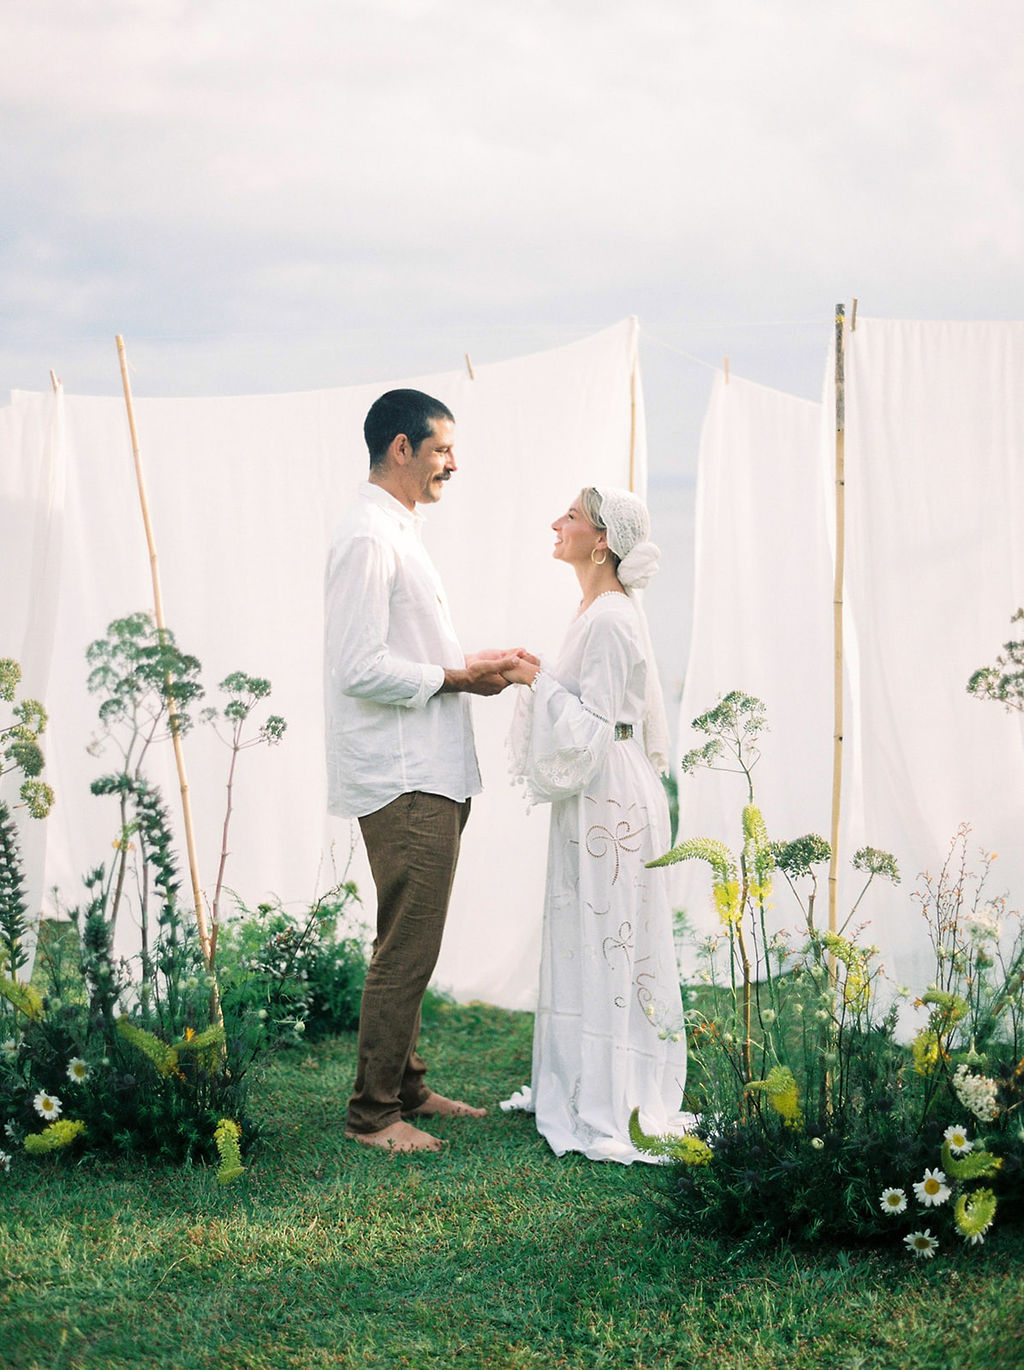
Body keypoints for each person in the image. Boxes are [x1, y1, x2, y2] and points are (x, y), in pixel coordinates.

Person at [324, 388, 523, 1154]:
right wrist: (456, 680)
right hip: (404, 775)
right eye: (442, 448)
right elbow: (357, 666)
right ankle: (374, 1115)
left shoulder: (398, 530)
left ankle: (406, 1087)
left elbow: (401, 653)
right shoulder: (369, 537)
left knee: (408, 934)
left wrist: (470, 666)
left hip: (429, 767)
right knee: (408, 945)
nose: (453, 463)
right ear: (400, 448)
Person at [500, 486, 689, 1163]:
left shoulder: (610, 618)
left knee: (611, 933)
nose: (557, 523)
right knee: (590, 931)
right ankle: (587, 1076)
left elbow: (601, 724)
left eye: (572, 517)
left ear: (601, 540)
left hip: (612, 793)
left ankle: (615, 1091)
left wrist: (534, 680)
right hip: (596, 791)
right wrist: (544, 674)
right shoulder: (593, 610)